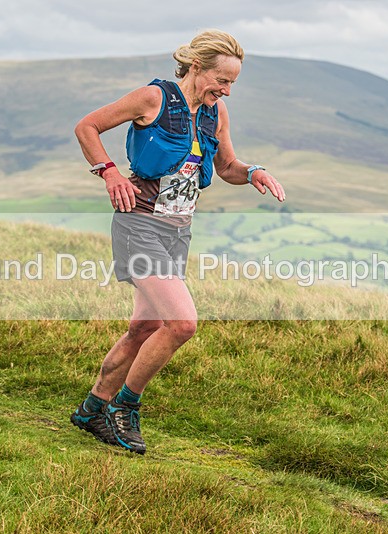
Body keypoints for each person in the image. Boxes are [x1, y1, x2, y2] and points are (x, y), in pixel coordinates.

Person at [71, 29, 285, 455]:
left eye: (232, 84)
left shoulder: (215, 112)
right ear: (196, 68)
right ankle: (124, 408)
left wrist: (253, 172)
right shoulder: (154, 98)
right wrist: (109, 172)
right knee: (183, 323)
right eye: (221, 81)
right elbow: (88, 126)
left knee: (145, 327)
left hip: (177, 232)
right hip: (139, 224)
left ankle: (92, 408)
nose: (226, 91)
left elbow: (226, 166)